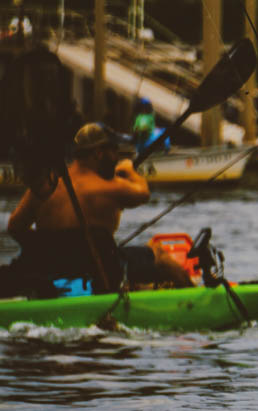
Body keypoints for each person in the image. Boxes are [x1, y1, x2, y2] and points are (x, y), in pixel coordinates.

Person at [6, 122, 193, 292]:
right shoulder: (109, 186)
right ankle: (195, 295)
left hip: (49, 270)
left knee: (134, 256)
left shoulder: (45, 186)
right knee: (158, 253)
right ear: (99, 153)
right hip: (101, 270)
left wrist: (48, 247)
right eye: (115, 151)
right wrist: (129, 170)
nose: (118, 156)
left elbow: (15, 228)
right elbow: (143, 193)